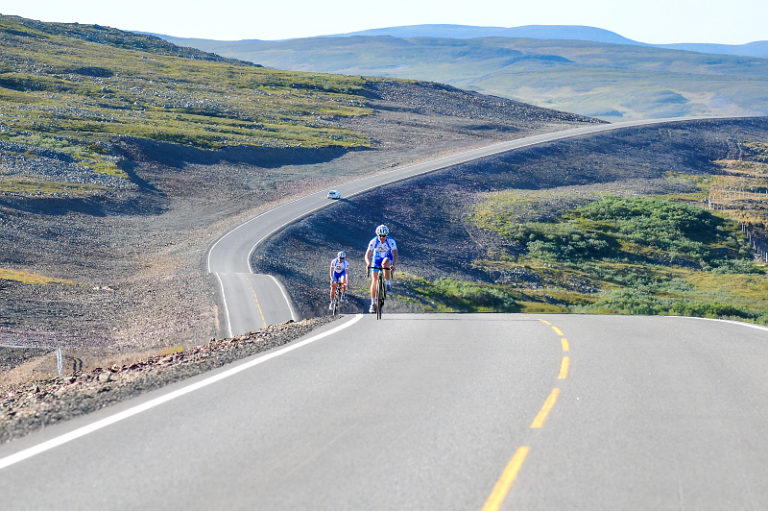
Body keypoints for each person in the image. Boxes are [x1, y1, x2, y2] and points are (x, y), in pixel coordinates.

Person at [364, 224, 398, 313]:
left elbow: (395, 254)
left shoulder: (391, 241)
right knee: (374, 280)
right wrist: (368, 263)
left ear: (387, 235)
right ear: (377, 235)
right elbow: (367, 254)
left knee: (385, 264)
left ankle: (388, 283)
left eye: (384, 236)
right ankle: (373, 303)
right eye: (380, 235)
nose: (382, 237)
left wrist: (393, 265)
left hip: (387, 257)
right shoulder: (373, 241)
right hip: (376, 259)